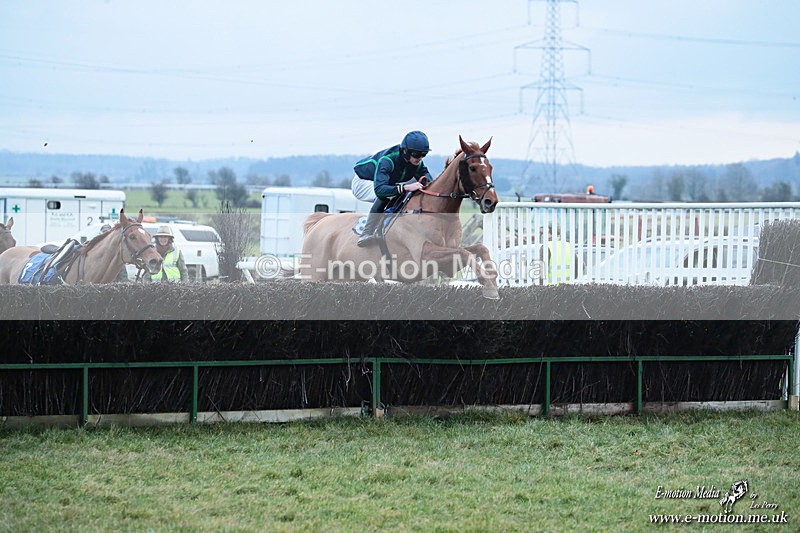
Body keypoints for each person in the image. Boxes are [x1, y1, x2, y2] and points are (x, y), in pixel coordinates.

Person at [352, 130, 434, 247]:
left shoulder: (416, 163)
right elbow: (380, 190)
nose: (420, 158)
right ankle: (366, 233)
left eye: (423, 154)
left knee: (405, 195)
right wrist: (405, 187)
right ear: (406, 151)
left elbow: (429, 183)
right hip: (363, 182)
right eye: (416, 155)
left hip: (382, 183)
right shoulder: (388, 160)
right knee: (387, 195)